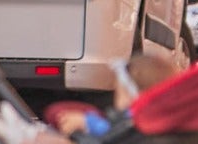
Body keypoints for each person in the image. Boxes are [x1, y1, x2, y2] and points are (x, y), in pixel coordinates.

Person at [45, 51, 182, 136]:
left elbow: (116, 135)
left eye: (118, 91)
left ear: (129, 94)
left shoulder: (136, 122)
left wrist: (87, 122)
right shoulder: (157, 122)